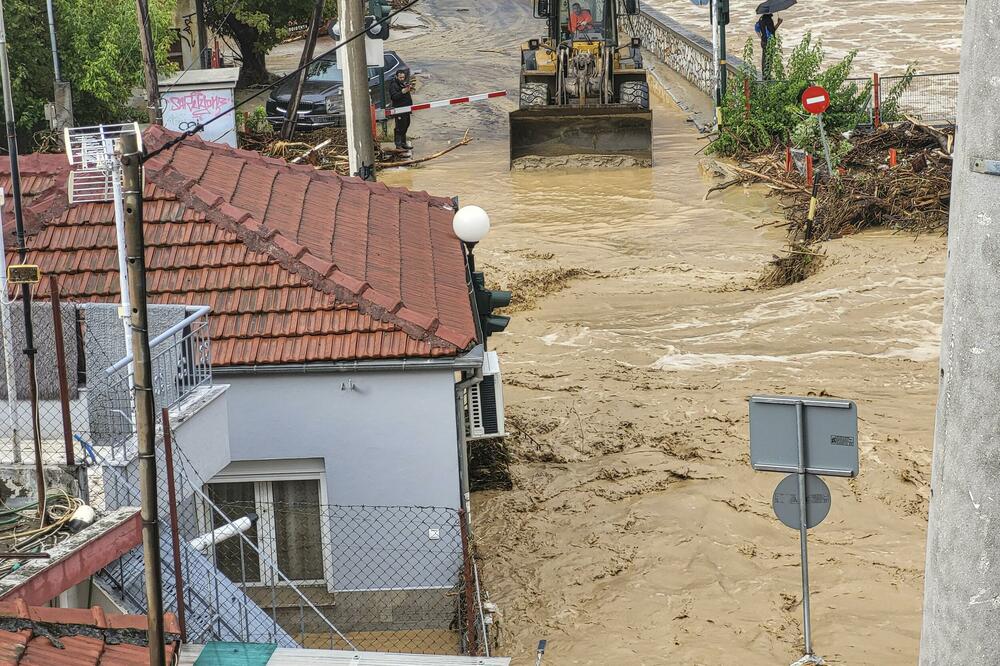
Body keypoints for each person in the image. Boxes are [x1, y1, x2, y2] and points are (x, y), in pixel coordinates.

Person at [388, 70, 414, 154]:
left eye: (403, 77)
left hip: (406, 109)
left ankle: (403, 143)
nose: (402, 79)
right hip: (399, 109)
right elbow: (394, 97)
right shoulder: (393, 85)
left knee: (406, 125)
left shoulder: (402, 83)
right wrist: (402, 92)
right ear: (396, 76)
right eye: (400, 77)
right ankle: (398, 145)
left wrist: (409, 88)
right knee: (400, 127)